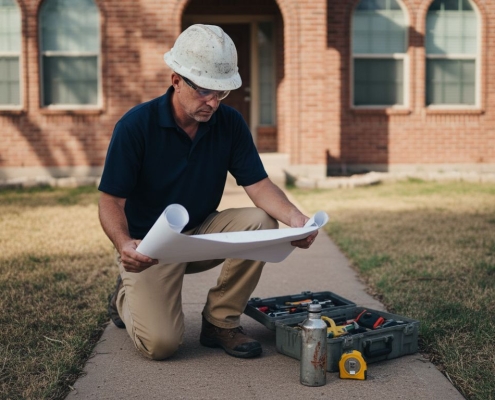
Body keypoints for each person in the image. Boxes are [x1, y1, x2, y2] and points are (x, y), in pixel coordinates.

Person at [98, 24, 317, 361]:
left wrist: (296, 219)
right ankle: (125, 296)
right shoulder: (135, 126)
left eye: (221, 92)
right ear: (176, 81)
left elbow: (258, 185)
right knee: (162, 346)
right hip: (149, 247)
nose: (213, 102)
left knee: (261, 222)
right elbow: (111, 200)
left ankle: (219, 322)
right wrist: (125, 244)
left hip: (201, 236)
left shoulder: (229, 123)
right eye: (204, 91)